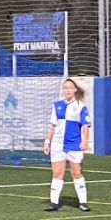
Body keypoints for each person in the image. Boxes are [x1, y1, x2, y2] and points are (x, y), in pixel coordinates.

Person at [43, 78, 92, 211]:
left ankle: (83, 202)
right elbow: (53, 126)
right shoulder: (57, 106)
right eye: (65, 88)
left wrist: (84, 141)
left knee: (76, 173)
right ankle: (54, 202)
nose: (68, 90)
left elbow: (85, 127)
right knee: (57, 173)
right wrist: (47, 142)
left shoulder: (81, 107)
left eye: (70, 87)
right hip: (57, 144)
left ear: (75, 89)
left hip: (74, 145)